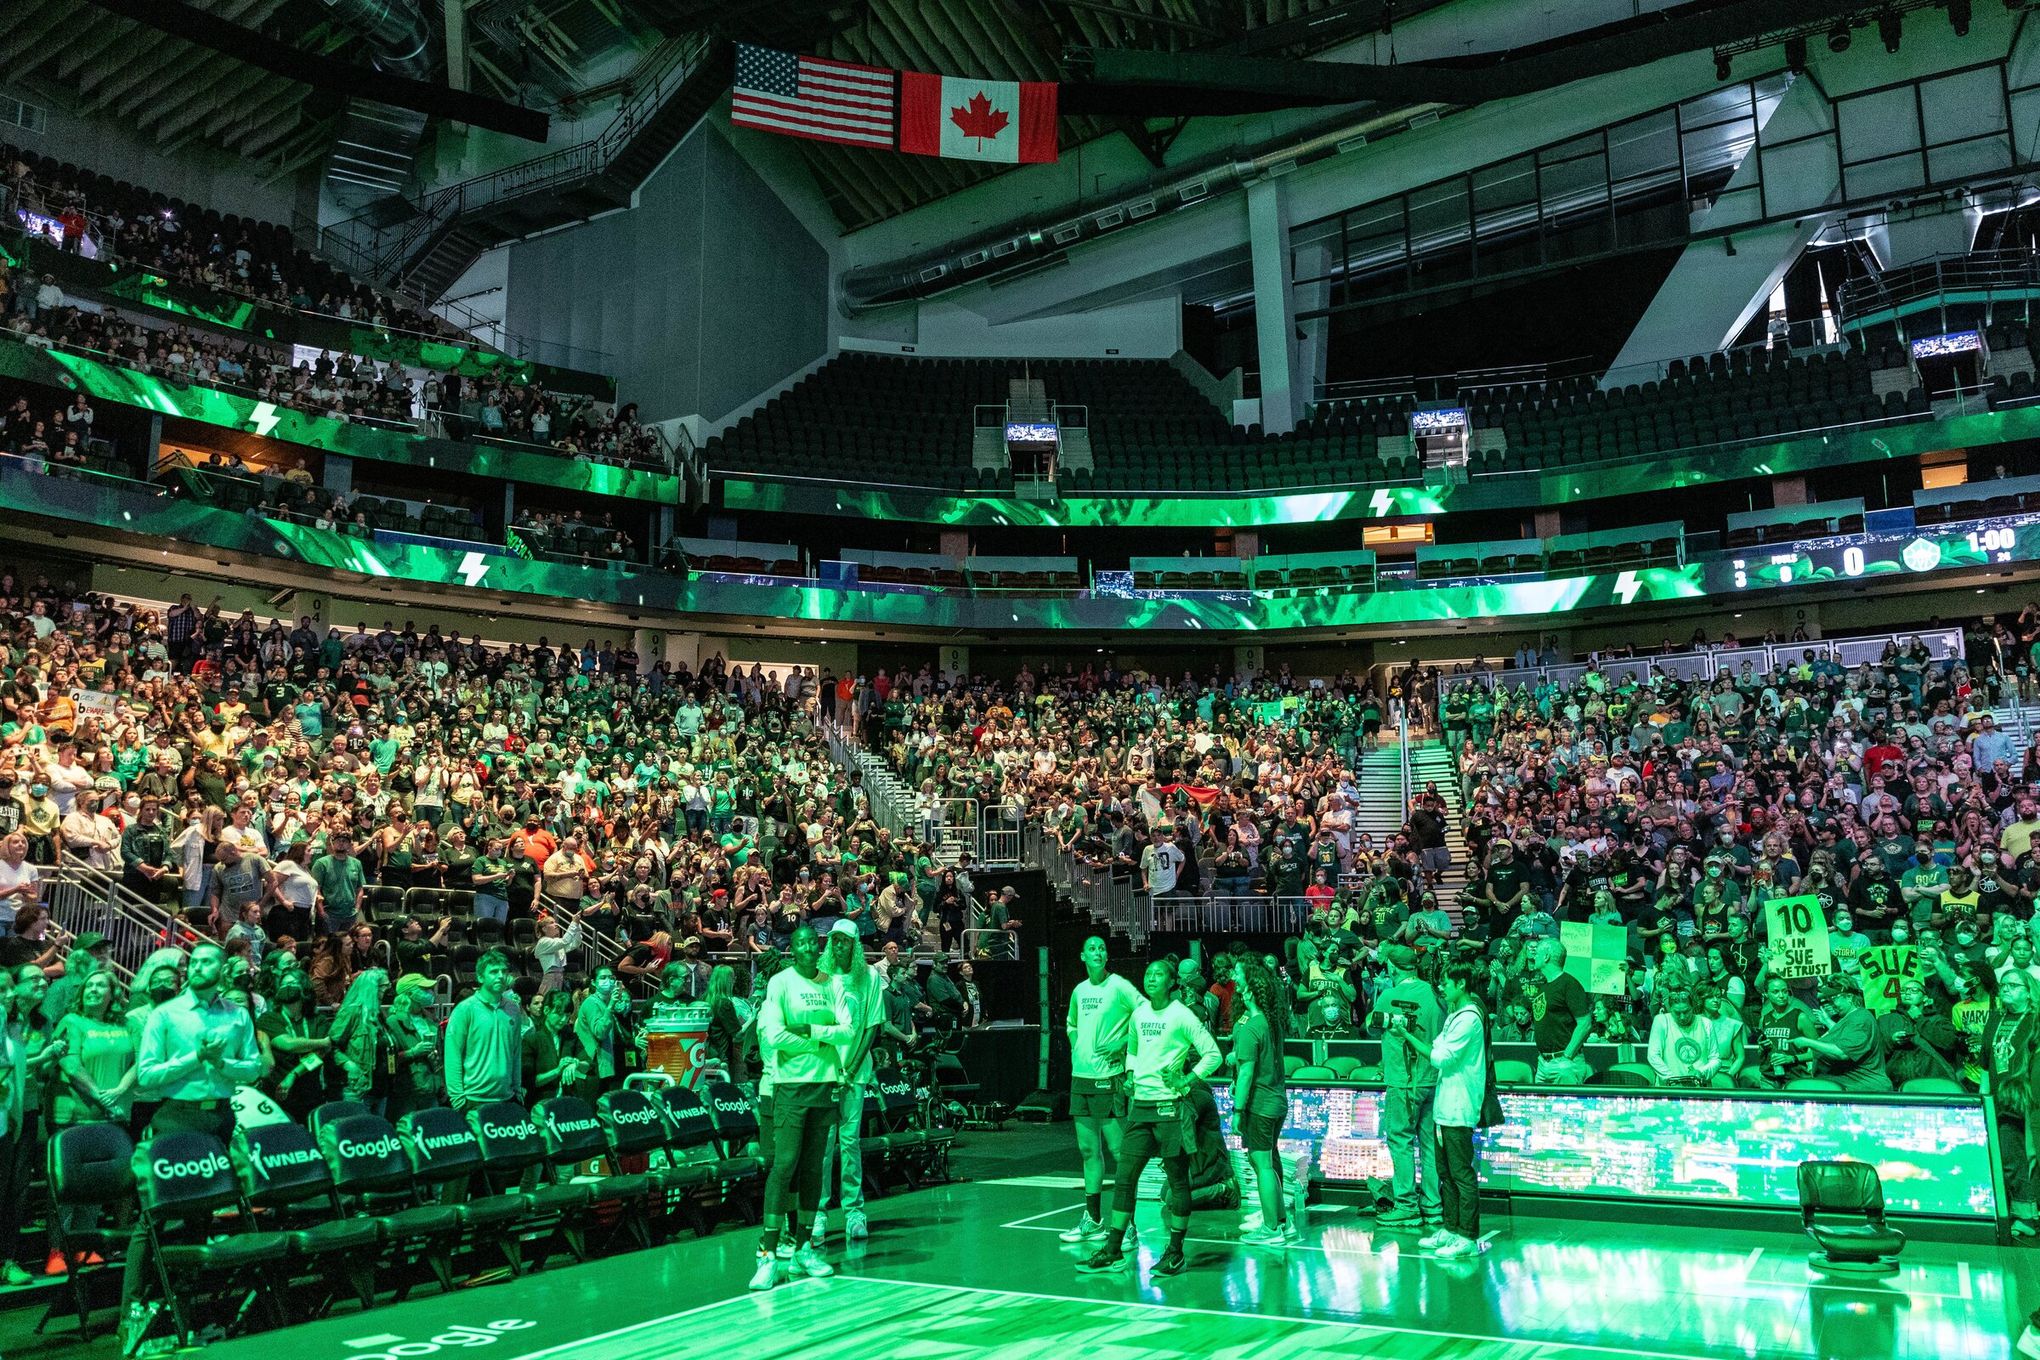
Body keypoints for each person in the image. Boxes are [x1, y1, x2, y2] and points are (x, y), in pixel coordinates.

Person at [124, 941, 262, 1346]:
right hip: (176, 1117)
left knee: (202, 1215)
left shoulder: (236, 1015)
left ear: (221, 969)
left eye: (207, 962)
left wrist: (222, 1064)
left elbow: (253, 1067)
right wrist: (196, 1059)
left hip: (219, 1116)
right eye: (194, 962)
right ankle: (131, 1308)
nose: (198, 967)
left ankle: (185, 1309)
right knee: (154, 1216)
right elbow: (147, 1076)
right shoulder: (166, 1014)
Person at [1076, 959, 1220, 1279]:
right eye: (1148, 973)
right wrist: (1129, 1074)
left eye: (1158, 975)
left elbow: (1213, 1054)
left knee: (1177, 1179)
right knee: (1125, 1176)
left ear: (1171, 983)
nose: (1151, 978)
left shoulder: (1183, 1014)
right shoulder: (1139, 1013)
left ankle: (1175, 1252)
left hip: (1171, 1108)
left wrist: (1188, 1079)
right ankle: (1113, 1248)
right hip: (1141, 1107)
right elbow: (1134, 1050)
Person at [750, 923, 850, 1292]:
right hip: (788, 1087)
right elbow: (775, 1036)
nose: (808, 948)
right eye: (801, 944)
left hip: (825, 1086)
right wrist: (821, 1042)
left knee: (812, 1169)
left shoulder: (834, 983)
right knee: (785, 1163)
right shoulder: (780, 983)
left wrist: (809, 1032)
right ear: (792, 949)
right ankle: (767, 1252)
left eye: (813, 943)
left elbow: (847, 1031)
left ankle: (805, 1247)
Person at [1060, 935, 1142, 1244]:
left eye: (1102, 948)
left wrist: (1123, 1044)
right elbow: (1071, 1024)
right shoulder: (1080, 991)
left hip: (1109, 1079)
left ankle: (1127, 1225)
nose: (1097, 951)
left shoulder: (1118, 986)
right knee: (1087, 1150)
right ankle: (1092, 1220)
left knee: (1120, 1153)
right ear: (1082, 955)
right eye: (1091, 948)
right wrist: (1077, 1045)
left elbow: (1145, 1013)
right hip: (1081, 1078)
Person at [818, 919, 884, 1244]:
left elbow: (871, 1027)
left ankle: (854, 1213)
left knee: (850, 1143)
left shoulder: (869, 978)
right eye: (835, 940)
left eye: (845, 940)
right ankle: (817, 1214)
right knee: (823, 1146)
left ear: (855, 944)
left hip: (854, 1075)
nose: (839, 945)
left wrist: (851, 1068)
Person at [1369, 942, 1442, 1228]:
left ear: (1392, 968)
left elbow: (1370, 1024)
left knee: (1400, 1141)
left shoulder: (1389, 995)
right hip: (1432, 1078)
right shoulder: (1436, 994)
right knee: (1429, 1145)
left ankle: (1407, 1205)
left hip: (1402, 1080)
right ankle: (1434, 1206)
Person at [1424, 960, 1490, 1259]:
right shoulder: (1454, 1016)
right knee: (1445, 1173)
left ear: (1461, 984)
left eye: (1446, 982)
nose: (1442, 987)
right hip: (1444, 1107)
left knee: (1462, 1174)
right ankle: (1450, 1229)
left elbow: (1441, 1057)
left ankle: (1467, 1236)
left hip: (1460, 1107)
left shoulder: (1470, 1018)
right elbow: (1436, 1048)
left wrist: (1422, 1044)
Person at [1231, 957, 1295, 1247]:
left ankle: (1271, 1228)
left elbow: (1245, 1075)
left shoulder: (1251, 1028)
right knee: (1268, 1161)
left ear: (1252, 993)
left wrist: (1237, 1110)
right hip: (1277, 1102)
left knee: (1262, 1164)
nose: (1239, 992)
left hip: (1259, 1106)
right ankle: (1282, 1220)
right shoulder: (1271, 1024)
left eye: (1244, 990)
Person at [444, 949, 525, 1112]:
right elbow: (452, 1054)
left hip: (507, 1098)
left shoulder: (513, 1009)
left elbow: (516, 1053)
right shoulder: (465, 1009)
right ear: (480, 977)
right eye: (494, 972)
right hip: (473, 1101)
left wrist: (517, 1090)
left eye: (504, 971)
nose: (501, 976)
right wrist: (458, 1099)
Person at [1794, 975, 1893, 1091]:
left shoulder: (1860, 1019)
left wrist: (1808, 1042)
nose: (1830, 1002)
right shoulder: (1848, 1019)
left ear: (1849, 998)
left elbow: (1841, 1052)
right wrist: (1794, 1058)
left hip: (1862, 1093)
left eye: (1834, 998)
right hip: (1846, 1090)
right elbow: (1837, 1043)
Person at [1514, 936, 1592, 1084]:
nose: (1534, 955)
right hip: (1543, 1063)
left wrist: (1567, 1055)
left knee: (1566, 1107)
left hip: (1564, 1064)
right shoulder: (1544, 986)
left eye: (1537, 953)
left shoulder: (1569, 984)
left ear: (1547, 957)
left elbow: (1585, 1023)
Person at [328, 968, 392, 1115]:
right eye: (383, 987)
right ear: (371, 988)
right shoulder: (352, 1012)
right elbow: (331, 1046)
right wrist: (349, 1065)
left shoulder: (379, 1014)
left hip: (380, 1090)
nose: (387, 991)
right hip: (359, 1089)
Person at [385, 973, 442, 1118]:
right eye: (423, 989)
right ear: (410, 993)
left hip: (431, 1087)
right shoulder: (394, 1022)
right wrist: (413, 1052)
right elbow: (388, 1060)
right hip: (407, 1091)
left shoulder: (431, 1019)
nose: (429, 993)